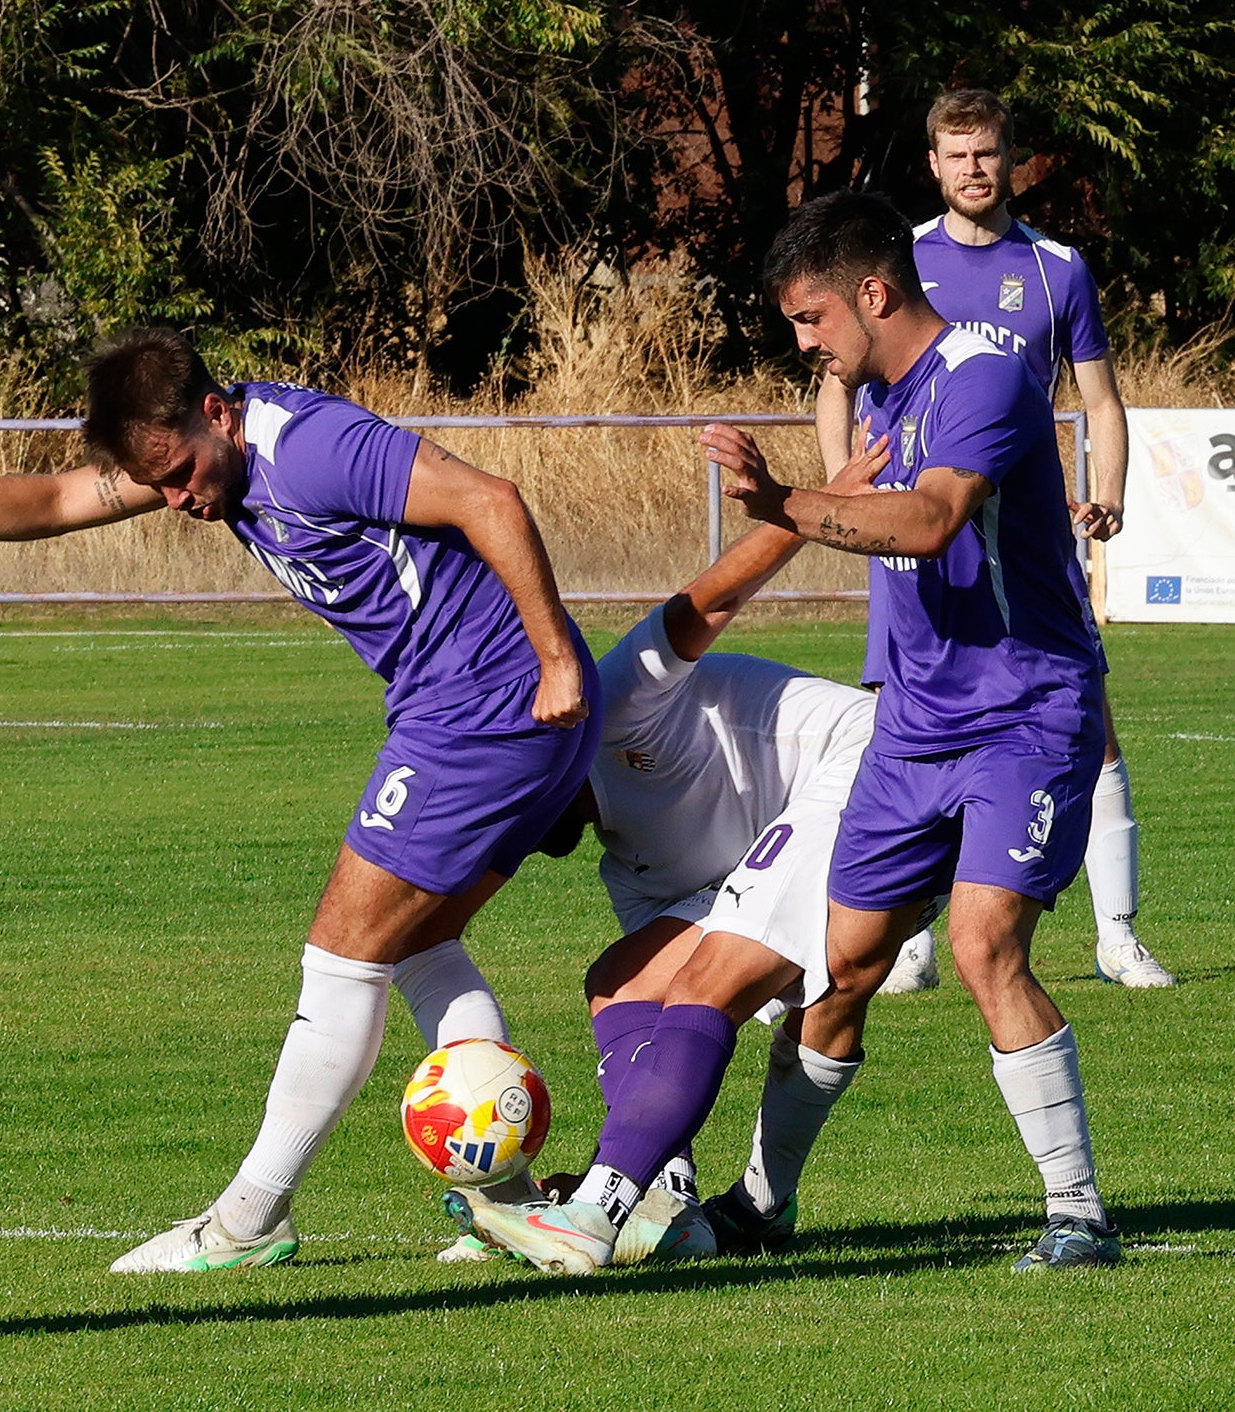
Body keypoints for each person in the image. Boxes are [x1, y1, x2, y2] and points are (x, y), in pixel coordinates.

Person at [0, 327, 599, 1273]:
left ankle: (248, 1218)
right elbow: (61, 497)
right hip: (495, 710)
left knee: (341, 955)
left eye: (185, 472)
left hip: (484, 707)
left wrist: (557, 658)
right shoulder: (196, 451)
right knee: (418, 943)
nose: (182, 499)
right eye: (164, 483)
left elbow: (491, 499)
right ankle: (507, 1203)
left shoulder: (310, 448)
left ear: (218, 414)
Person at [709, 190, 1122, 1270]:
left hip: (1022, 718)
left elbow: (934, 516)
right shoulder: (889, 400)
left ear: (872, 293)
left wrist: (781, 503)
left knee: (986, 945)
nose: (804, 344)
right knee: (839, 970)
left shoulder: (983, 373)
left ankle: (1075, 1213)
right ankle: (761, 1203)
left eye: (811, 321)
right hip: (912, 730)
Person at [447, 439, 903, 1274]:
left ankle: (596, 1212)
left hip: (871, 763)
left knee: (714, 985)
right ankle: (670, 1196)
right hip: (783, 837)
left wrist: (809, 505)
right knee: (623, 980)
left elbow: (714, 597)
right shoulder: (629, 865)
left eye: (508, 811)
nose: (512, 832)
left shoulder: (607, 698)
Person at [818, 87, 1175, 991]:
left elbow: (1099, 398)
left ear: (1011, 160)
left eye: (988, 153)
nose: (974, 169)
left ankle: (1119, 935)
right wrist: (843, 490)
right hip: (919, 542)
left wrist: (1109, 496)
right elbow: (837, 385)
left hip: (1026, 549)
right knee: (911, 719)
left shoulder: (1058, 269)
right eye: (956, 154)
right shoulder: (897, 264)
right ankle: (912, 940)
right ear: (933, 164)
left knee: (1090, 730)